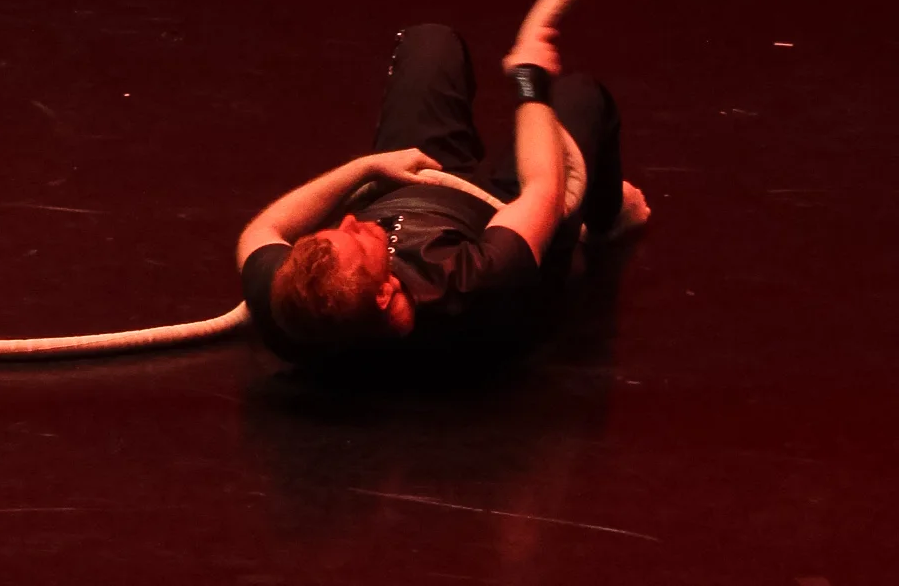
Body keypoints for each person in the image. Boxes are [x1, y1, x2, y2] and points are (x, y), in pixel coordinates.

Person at [234, 20, 647, 368]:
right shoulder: (471, 287)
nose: (350, 221)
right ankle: (609, 218)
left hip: (407, 179)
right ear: (383, 294)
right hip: (500, 210)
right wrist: (528, 83)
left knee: (429, 43)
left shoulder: (292, 308)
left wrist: (367, 167)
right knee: (581, 95)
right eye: (357, 238)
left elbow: (261, 229)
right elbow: (545, 188)